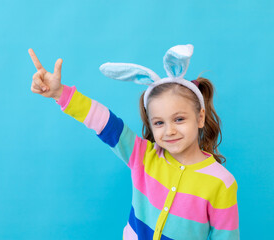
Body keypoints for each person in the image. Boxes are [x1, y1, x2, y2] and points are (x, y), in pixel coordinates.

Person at [28, 44, 240, 240]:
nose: (170, 130)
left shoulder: (222, 182)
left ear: (200, 117)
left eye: (179, 119)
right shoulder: (142, 156)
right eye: (159, 123)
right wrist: (60, 93)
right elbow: (104, 122)